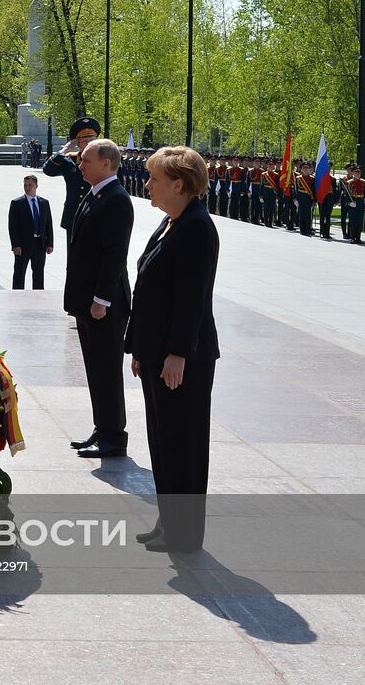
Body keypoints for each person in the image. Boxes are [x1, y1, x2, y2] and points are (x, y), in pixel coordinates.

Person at [126, 146, 220, 554]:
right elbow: (149, 289)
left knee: (183, 443)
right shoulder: (171, 222)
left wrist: (177, 353)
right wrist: (139, 348)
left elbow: (191, 299)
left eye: (155, 179)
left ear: (178, 184)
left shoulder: (197, 227)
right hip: (156, 353)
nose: (148, 184)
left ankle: (184, 535)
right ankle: (169, 521)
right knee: (163, 441)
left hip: (183, 358)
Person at [64, 139, 133, 459]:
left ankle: (115, 436)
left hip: (103, 304)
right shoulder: (95, 194)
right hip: (87, 301)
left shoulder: (117, 199)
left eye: (86, 160)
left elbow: (114, 255)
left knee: (106, 369)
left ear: (106, 164)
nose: (80, 165)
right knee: (95, 368)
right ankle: (102, 427)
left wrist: (101, 300)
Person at [42, 117, 99, 243]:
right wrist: (63, 151)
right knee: (73, 257)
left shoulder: (104, 161)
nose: (89, 144)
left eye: (92, 140)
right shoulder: (70, 161)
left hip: (96, 215)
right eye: (85, 141)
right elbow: (48, 170)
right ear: (77, 143)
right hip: (74, 215)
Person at [8, 175, 54, 289]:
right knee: (19, 273)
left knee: (39, 274)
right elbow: (12, 227)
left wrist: (50, 244)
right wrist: (15, 245)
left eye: (30, 185)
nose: (27, 187)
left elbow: (48, 224)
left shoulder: (44, 203)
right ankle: (17, 296)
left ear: (36, 186)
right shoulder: (17, 203)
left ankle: (38, 296)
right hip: (23, 245)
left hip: (40, 244)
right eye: (25, 185)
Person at [347, 165, 365, 244]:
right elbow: (347, 195)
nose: (358, 174)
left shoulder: (364, 182)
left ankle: (358, 238)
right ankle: (352, 238)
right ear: (353, 173)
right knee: (353, 221)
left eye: (359, 172)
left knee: (359, 221)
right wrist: (349, 203)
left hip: (360, 202)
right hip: (353, 202)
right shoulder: (349, 182)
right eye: (356, 172)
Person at [295, 161, 315, 236]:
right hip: (301, 198)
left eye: (307, 168)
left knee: (308, 215)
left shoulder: (312, 179)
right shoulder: (298, 178)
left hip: (309, 198)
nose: (306, 170)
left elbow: (313, 190)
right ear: (301, 170)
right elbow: (295, 189)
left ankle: (307, 230)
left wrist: (314, 200)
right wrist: (295, 199)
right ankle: (302, 230)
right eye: (304, 168)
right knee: (302, 214)